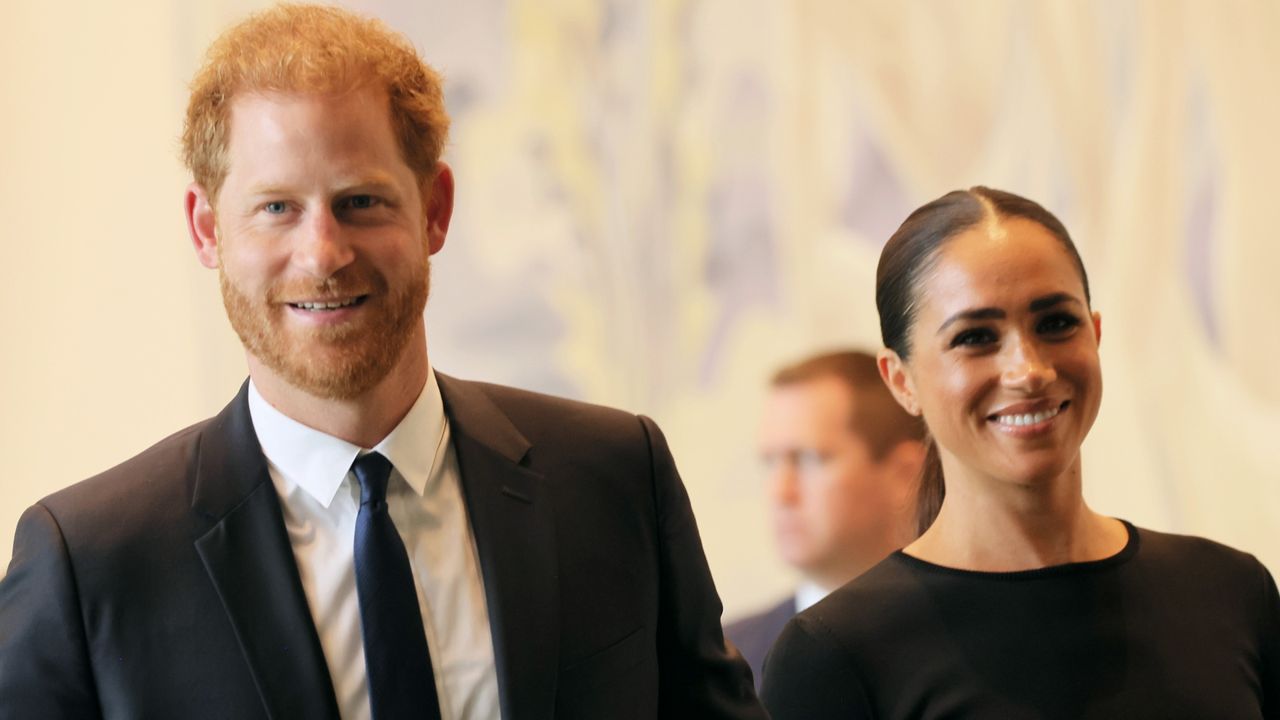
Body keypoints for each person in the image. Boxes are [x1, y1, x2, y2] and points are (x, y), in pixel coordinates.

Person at [0, 6, 765, 719]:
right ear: (208, 230)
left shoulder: (615, 477)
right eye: (276, 208)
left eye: (361, 201)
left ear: (435, 209)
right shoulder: (90, 564)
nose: (324, 254)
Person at [760, 187, 1280, 718]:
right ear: (901, 381)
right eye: (976, 337)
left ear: (1095, 333)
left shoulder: (1230, 592)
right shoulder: (836, 654)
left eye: (1055, 323)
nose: (1028, 369)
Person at [724, 350, 924, 688]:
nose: (780, 492)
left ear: (905, 473)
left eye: (808, 459)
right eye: (770, 463)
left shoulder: (973, 637)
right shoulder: (722, 663)